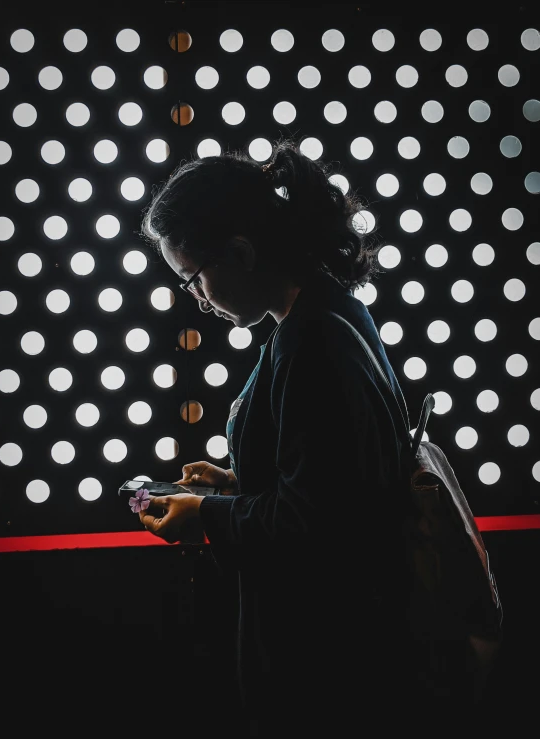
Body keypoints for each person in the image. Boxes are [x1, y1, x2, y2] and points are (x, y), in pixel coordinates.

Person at [135, 137, 441, 736]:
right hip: (349, 646)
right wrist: (237, 483)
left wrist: (208, 516)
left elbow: (317, 527)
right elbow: (332, 478)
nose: (196, 300)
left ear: (241, 253)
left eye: (193, 278)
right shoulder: (326, 313)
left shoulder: (311, 342)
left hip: (329, 666)